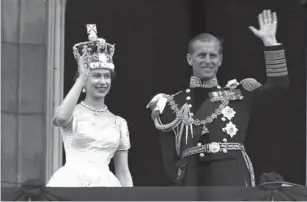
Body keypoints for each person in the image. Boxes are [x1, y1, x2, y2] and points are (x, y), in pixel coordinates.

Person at [147, 10, 289, 186]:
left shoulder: (238, 95)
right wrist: (181, 182)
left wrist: (270, 42)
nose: (208, 60)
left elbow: (279, 86)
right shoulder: (171, 103)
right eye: (201, 55)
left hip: (232, 178)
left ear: (220, 60)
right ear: (190, 59)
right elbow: (169, 158)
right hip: (193, 181)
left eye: (212, 55)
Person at [47, 24, 133, 187]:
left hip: (106, 186)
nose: (102, 81)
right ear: (85, 80)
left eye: (106, 76)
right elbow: (61, 118)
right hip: (71, 183)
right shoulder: (72, 112)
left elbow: (123, 171)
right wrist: (82, 77)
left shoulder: (119, 123)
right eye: (96, 76)